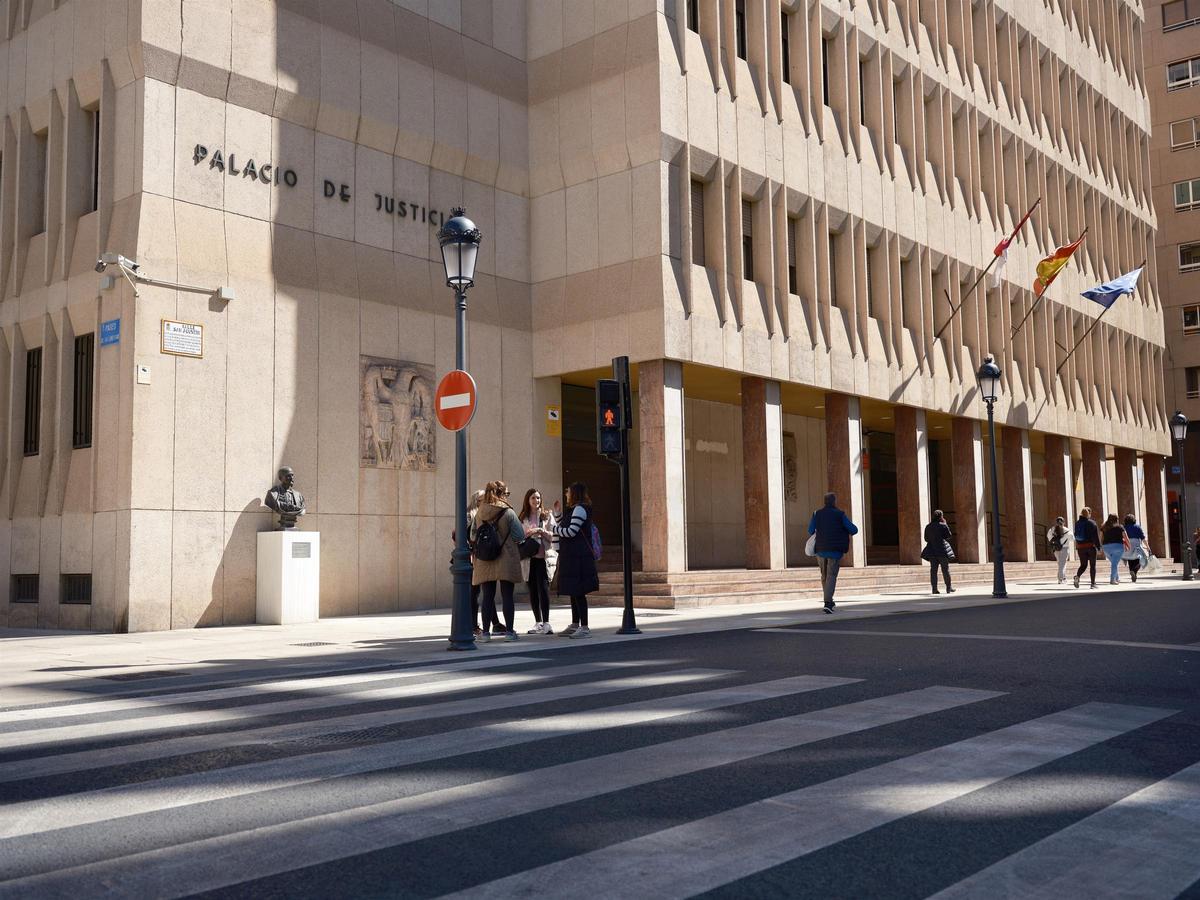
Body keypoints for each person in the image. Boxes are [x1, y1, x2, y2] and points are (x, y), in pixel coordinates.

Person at [470, 480, 524, 641]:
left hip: (485, 558)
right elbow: (519, 535)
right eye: (506, 493)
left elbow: (473, 535)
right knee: (507, 595)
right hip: (506, 556)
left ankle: (485, 633)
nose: (507, 496)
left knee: (487, 596)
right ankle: (509, 632)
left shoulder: (479, 512)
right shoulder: (508, 512)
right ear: (501, 494)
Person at [550, 482, 600, 638]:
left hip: (579, 557)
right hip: (572, 556)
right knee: (573, 590)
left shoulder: (580, 509)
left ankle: (584, 627)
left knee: (579, 592)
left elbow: (571, 532)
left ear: (575, 493)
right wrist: (558, 515)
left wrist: (551, 529)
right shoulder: (574, 509)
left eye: (568, 492)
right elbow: (565, 527)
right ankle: (575, 624)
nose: (566, 494)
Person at [807, 492, 859, 613]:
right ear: (834, 501)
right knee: (831, 576)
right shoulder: (840, 514)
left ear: (825, 501)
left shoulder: (817, 513)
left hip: (820, 550)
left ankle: (828, 600)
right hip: (835, 551)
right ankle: (828, 603)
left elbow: (810, 530)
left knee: (824, 576)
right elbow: (853, 529)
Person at [519, 488, 558, 634]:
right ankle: (538, 622)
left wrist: (542, 531)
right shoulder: (523, 517)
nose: (536, 501)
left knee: (544, 589)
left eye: (538, 498)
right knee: (533, 590)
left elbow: (554, 535)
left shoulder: (547, 516)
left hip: (544, 558)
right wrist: (531, 532)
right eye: (533, 498)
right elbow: (519, 536)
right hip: (529, 559)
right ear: (528, 500)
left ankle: (547, 623)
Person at [921, 510, 955, 594]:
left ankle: (934, 589)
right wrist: (945, 524)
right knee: (945, 570)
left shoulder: (928, 526)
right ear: (941, 516)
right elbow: (949, 536)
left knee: (933, 570)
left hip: (932, 551)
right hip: (942, 550)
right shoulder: (943, 526)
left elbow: (926, 539)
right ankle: (948, 588)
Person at [1073, 507, 1100, 589]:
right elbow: (1096, 537)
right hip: (1090, 547)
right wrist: (1098, 547)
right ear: (1089, 514)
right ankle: (1093, 584)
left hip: (1081, 547)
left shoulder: (1077, 523)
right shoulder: (1092, 523)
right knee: (1092, 565)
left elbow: (1075, 534)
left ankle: (1077, 576)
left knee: (1083, 565)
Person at [1100, 513, 1127, 585]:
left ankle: (1117, 578)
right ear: (1117, 519)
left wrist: (1101, 547)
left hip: (1106, 548)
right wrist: (1129, 545)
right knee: (1114, 563)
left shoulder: (1104, 527)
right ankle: (1112, 580)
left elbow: (1101, 538)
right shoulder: (1120, 527)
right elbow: (1125, 537)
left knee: (1114, 562)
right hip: (1118, 547)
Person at [1046, 516, 1072, 584]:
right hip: (1065, 548)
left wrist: (1055, 542)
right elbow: (1072, 538)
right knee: (1062, 564)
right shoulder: (1067, 530)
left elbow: (1048, 537)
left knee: (1060, 563)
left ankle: (1063, 577)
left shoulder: (1052, 529)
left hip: (1056, 548)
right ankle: (1061, 579)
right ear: (1064, 522)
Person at [1122, 513, 1146, 583]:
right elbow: (1143, 538)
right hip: (1136, 545)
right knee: (1140, 559)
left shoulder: (1124, 527)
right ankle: (1134, 571)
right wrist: (1147, 547)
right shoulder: (1137, 527)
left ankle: (1133, 573)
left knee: (1130, 559)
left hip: (1127, 544)